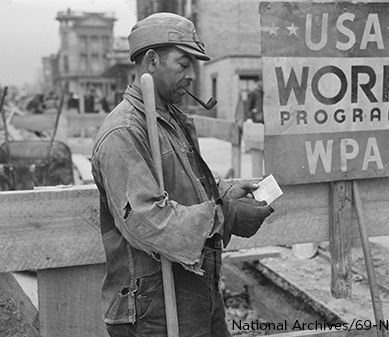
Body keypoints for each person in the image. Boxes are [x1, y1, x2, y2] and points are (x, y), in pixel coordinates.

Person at [91, 13, 274, 337]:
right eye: (183, 63)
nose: (192, 76)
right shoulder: (124, 131)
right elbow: (147, 222)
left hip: (193, 288)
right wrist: (226, 216)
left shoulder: (169, 121)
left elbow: (180, 186)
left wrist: (224, 193)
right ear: (151, 60)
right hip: (155, 307)